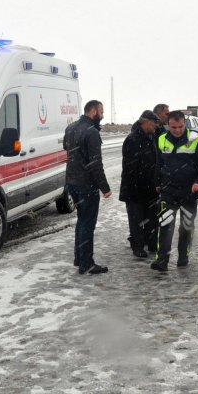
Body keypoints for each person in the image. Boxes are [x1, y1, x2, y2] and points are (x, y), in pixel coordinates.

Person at [151, 111, 198, 272]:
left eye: (180, 127)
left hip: (189, 192)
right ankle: (161, 261)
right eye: (173, 127)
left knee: (186, 226)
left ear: (184, 124)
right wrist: (157, 182)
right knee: (165, 225)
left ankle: (183, 256)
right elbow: (158, 163)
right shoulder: (161, 139)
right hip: (168, 191)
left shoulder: (195, 139)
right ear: (168, 125)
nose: (177, 130)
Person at [64, 100, 112, 275]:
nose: (103, 115)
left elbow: (66, 148)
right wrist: (105, 188)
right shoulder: (91, 132)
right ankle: (86, 263)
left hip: (72, 182)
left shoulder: (70, 128)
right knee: (87, 224)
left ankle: (80, 258)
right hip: (86, 185)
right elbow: (95, 164)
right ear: (93, 111)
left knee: (81, 220)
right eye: (101, 111)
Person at [119, 110, 161, 259]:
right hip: (134, 188)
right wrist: (137, 187)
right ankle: (137, 246)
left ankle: (151, 243)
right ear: (146, 122)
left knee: (152, 219)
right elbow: (131, 168)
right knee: (136, 220)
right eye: (154, 123)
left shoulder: (152, 137)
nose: (156, 126)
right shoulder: (132, 139)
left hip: (151, 188)